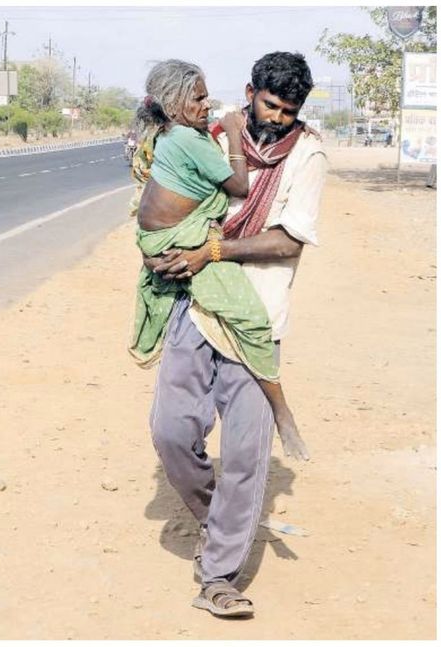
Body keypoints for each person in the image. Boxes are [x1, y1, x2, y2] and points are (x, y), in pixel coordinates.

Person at [136, 52, 327, 617]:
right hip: (194, 308)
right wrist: (170, 252)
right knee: (171, 432)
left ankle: (218, 575)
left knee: (245, 455)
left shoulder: (308, 153)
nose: (278, 119)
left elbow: (288, 242)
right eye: (270, 105)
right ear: (250, 91)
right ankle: (221, 518)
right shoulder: (212, 136)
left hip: (258, 317)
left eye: (290, 112)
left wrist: (210, 250)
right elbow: (167, 203)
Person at [129, 59, 306, 452]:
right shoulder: (192, 140)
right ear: (174, 105)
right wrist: (231, 131)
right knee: (252, 320)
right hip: (183, 243)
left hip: (158, 240)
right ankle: (282, 411)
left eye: (206, 96)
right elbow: (240, 186)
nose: (207, 104)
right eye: (199, 98)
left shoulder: (168, 136)